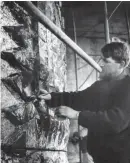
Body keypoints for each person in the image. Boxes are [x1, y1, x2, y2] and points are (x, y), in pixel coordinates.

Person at [39, 42, 130, 163]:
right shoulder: (101, 85)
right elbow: (78, 98)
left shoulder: (127, 87)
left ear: (122, 64)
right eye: (101, 60)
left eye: (106, 61)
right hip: (100, 156)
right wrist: (51, 97)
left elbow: (115, 121)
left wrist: (77, 115)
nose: (100, 64)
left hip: (120, 158)